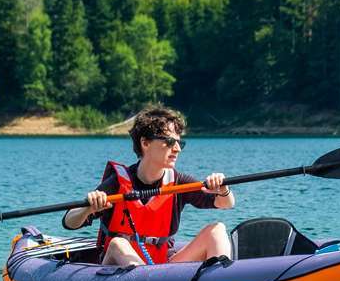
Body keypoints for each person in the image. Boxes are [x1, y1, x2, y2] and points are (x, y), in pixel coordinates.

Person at [62, 106, 234, 266]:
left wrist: (223, 190)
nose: (177, 149)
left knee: (217, 230)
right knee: (118, 244)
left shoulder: (179, 182)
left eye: (179, 143)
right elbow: (69, 222)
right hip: (116, 271)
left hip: (160, 269)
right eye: (169, 141)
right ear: (145, 143)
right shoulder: (117, 183)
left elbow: (226, 204)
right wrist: (88, 208)